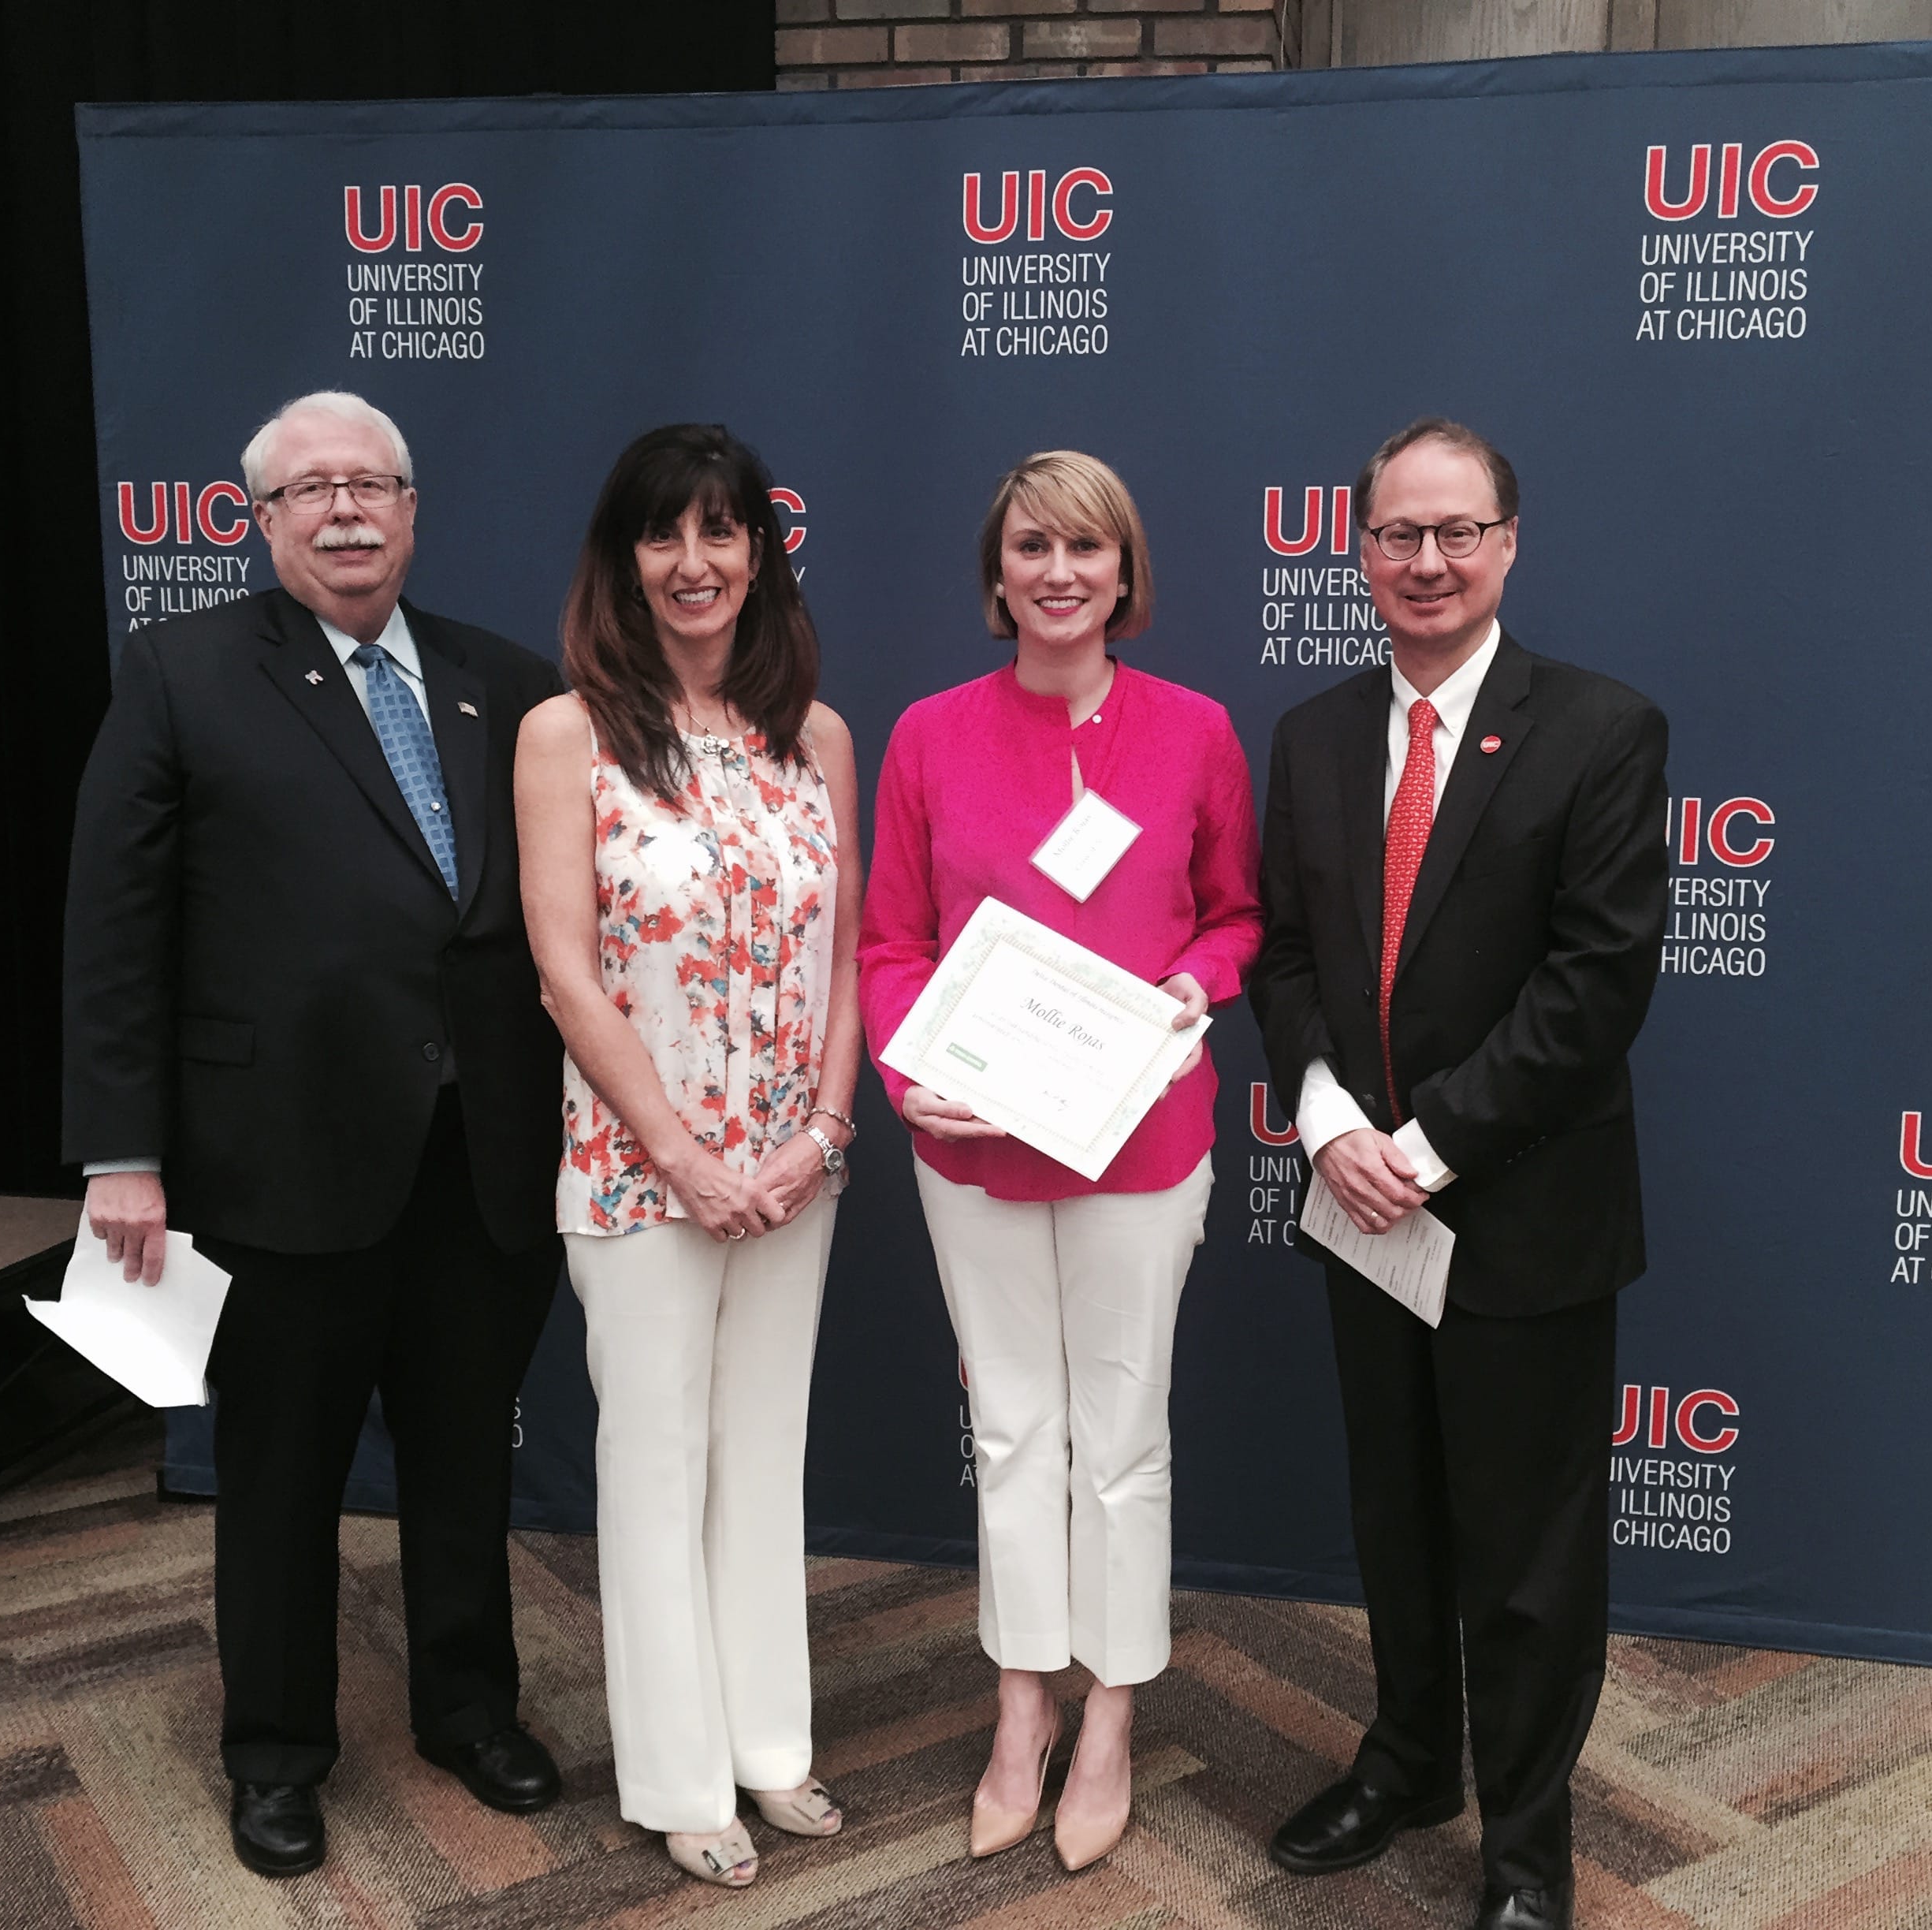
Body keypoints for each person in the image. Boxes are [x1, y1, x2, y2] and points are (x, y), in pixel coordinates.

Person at [63, 391, 568, 1879]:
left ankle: (469, 1709)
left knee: (469, 1462)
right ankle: (276, 1752)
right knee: (277, 1479)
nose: (348, 512)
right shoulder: (180, 673)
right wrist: (120, 1151)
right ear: (262, 520)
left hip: (482, 1161)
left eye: (375, 487)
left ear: (414, 511)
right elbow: (114, 932)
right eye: (313, 492)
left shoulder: (508, 680)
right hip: (278, 1163)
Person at [1252, 419, 1667, 1930]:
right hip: (1358, 1205)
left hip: (1518, 1214)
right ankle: (1411, 1761)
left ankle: (1525, 1849)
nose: (1425, 562)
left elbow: (1595, 989)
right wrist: (1320, 1115)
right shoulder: (1305, 736)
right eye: (1395, 535)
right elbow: (1286, 956)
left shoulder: (1603, 731)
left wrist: (1424, 1148)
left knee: (1530, 1555)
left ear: (1508, 545)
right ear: (1355, 548)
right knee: (1398, 1516)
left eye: (1457, 533)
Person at [859, 451, 1264, 1876]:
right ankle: (1021, 1706)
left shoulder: (1197, 731)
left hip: (1142, 1142)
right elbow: (892, 944)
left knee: (1123, 1439)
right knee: (1015, 1433)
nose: (1059, 572)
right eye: (1033, 545)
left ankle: (1113, 1717)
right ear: (998, 573)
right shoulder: (927, 735)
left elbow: (1235, 919)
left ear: (1124, 573)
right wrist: (915, 1075)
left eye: (1087, 548)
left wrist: (1190, 992)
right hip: (975, 1152)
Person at [515, 423, 861, 1891]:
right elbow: (565, 973)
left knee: (761, 1460)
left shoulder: (819, 736)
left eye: (723, 533)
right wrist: (686, 1158)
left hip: (795, 1175)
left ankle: (770, 1745)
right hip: (638, 1178)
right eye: (666, 535)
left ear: (760, 554)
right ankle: (675, 1775)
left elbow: (850, 966)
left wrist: (822, 1134)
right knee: (654, 1469)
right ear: (626, 558)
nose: (696, 562)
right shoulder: (566, 732)